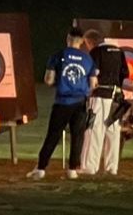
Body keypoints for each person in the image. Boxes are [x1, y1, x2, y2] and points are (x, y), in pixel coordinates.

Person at [29, 27, 96, 180]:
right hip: (80, 103)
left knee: (53, 135)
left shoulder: (58, 55)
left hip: (62, 102)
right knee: (77, 136)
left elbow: (48, 80)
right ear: (82, 41)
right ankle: (72, 170)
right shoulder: (88, 59)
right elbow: (93, 84)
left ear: (68, 38)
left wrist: (58, 83)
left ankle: (41, 168)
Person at [82, 29, 128, 177]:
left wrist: (88, 91)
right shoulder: (119, 51)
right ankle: (111, 168)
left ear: (90, 42)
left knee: (95, 130)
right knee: (113, 131)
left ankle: (90, 166)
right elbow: (125, 74)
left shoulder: (96, 52)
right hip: (116, 97)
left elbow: (93, 74)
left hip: (100, 95)